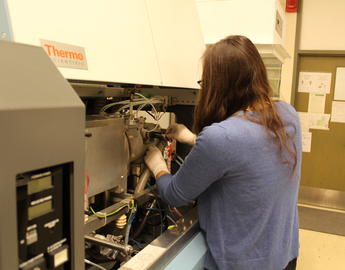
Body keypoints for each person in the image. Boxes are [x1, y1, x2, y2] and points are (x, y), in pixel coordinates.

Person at [144, 35, 301, 270]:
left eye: (204, 82)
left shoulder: (221, 137)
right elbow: (249, 151)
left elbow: (175, 194)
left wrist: (157, 165)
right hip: (285, 255)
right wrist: (192, 138)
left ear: (219, 85)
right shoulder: (287, 113)